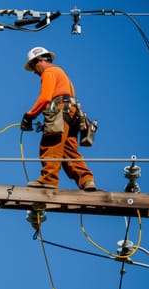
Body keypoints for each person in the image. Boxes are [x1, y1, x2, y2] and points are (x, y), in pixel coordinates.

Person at [21, 46, 97, 191]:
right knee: (68, 151)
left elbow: (44, 99)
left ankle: (48, 179)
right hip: (73, 114)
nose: (35, 72)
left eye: (33, 67)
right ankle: (86, 180)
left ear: (38, 61)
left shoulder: (49, 72)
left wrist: (29, 115)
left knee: (50, 144)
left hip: (61, 111)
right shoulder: (62, 73)